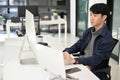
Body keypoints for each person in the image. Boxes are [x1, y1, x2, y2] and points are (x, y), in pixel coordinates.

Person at [63, 3, 114, 80]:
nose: (91, 18)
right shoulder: (88, 31)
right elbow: (78, 45)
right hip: (81, 63)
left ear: (104, 17)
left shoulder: (107, 39)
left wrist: (75, 60)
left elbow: (96, 59)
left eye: (95, 16)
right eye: (90, 15)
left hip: (93, 69)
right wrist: (66, 51)